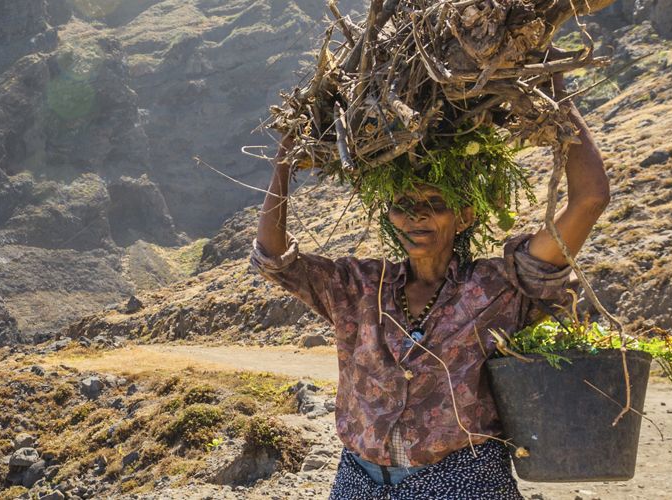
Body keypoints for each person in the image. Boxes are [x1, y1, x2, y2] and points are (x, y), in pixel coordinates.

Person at [252, 98, 610, 498]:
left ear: (466, 216)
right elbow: (274, 258)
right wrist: (285, 155)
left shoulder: (500, 287)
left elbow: (590, 199)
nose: (416, 216)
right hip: (359, 480)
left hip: (462, 481)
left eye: (435, 205)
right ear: (389, 216)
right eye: (403, 206)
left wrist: (555, 93)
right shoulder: (359, 285)